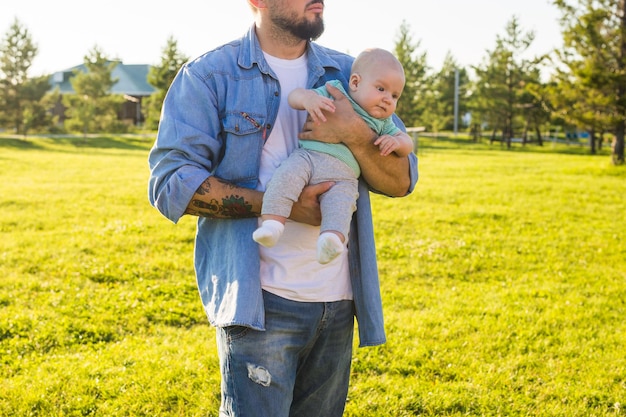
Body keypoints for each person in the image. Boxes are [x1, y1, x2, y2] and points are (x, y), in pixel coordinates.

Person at [147, 1, 418, 416]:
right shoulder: (208, 76)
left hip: (339, 302)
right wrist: (284, 207)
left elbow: (402, 180)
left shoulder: (351, 74)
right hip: (261, 305)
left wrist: (353, 133)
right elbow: (170, 185)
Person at [253, 48, 414, 264]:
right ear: (355, 83)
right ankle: (272, 225)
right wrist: (308, 99)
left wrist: (397, 142)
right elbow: (294, 96)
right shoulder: (335, 93)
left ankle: (331, 240)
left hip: (343, 176)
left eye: (395, 96)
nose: (387, 100)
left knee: (342, 203)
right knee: (285, 177)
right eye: (381, 89)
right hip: (309, 157)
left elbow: (407, 145)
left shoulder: (384, 123)